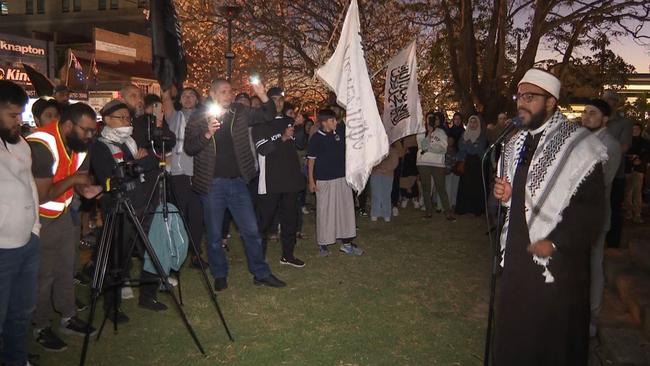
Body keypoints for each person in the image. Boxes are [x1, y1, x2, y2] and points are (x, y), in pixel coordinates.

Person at [493, 69, 607, 365]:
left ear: (552, 102)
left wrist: (556, 243)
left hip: (556, 267)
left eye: (531, 97)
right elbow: (520, 196)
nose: (522, 103)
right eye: (520, 96)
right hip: (518, 259)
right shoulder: (514, 142)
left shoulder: (580, 146)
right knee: (515, 336)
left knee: (549, 343)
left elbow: (590, 212)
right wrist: (505, 194)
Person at [184, 78, 286, 291]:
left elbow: (268, 115)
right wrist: (207, 134)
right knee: (214, 235)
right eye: (223, 92)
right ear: (212, 94)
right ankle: (219, 274)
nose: (228, 95)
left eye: (230, 91)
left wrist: (263, 94)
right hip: (212, 185)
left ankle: (261, 273)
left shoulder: (240, 111)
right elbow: (190, 147)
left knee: (252, 231)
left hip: (238, 183)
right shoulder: (198, 116)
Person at [27, 102, 101, 352]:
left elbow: (81, 176)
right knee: (44, 275)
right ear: (69, 125)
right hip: (39, 217)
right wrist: (75, 181)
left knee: (67, 268)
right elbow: (42, 194)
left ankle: (68, 315)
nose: (91, 136)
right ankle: (41, 325)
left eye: (94, 130)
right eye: (87, 130)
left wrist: (86, 189)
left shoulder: (79, 143)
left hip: (65, 212)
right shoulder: (41, 144)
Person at [90, 99, 168, 323]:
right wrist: (139, 164)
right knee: (117, 259)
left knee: (153, 249)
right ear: (106, 119)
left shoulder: (129, 142)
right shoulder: (100, 145)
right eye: (121, 118)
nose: (126, 121)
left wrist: (136, 165)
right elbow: (113, 176)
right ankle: (111, 307)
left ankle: (148, 295)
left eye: (128, 118)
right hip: (118, 207)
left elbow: (147, 162)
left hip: (142, 202)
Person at [0, 81, 41, 366]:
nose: (19, 121)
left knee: (21, 311)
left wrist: (35, 228)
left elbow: (29, 185)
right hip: (3, 247)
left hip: (28, 240)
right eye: (13, 115)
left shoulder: (20, 143)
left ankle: (17, 359)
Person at [252, 87, 306, 268]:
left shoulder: (290, 120)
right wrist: (282, 137)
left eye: (281, 99)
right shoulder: (260, 123)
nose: (278, 103)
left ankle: (288, 255)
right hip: (270, 182)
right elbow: (262, 149)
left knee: (290, 220)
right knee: (265, 222)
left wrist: (299, 128)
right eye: (273, 99)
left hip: (290, 180)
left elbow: (301, 144)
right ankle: (259, 258)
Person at [580, 98, 621, 338]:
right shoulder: (583, 140)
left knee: (594, 266)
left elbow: (599, 183)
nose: (586, 117)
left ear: (605, 119)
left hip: (595, 216)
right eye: (585, 112)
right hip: (577, 217)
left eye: (592, 113)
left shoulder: (611, 145)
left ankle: (593, 315)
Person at [162, 86, 208, 269]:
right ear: (179, 100)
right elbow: (165, 98)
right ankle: (177, 253)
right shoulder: (174, 116)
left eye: (191, 95)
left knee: (197, 215)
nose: (188, 98)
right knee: (180, 214)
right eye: (184, 95)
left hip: (198, 171)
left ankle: (196, 254)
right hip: (178, 172)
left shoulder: (204, 118)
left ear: (197, 100)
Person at [307, 108, 363, 257]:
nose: (335, 123)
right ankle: (323, 243)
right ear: (324, 123)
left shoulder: (339, 135)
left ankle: (346, 243)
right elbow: (311, 162)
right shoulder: (316, 139)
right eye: (332, 121)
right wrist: (311, 180)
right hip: (324, 180)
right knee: (325, 212)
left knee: (345, 211)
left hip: (342, 179)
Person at [602, 90, 632, 247]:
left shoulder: (624, 123)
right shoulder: (598, 120)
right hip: (597, 174)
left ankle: (613, 243)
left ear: (616, 103)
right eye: (604, 99)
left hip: (615, 173)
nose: (606, 102)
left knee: (613, 208)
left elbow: (624, 147)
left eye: (610, 100)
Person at [417, 112, 454, 221]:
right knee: (426, 188)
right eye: (430, 118)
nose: (432, 121)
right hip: (423, 163)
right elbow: (422, 146)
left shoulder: (442, 133)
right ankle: (428, 212)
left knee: (441, 188)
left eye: (434, 119)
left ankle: (448, 213)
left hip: (438, 164)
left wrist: (428, 149)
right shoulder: (421, 132)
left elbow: (443, 149)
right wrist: (429, 133)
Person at [455, 115, 488, 216]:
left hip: (477, 163)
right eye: (471, 122)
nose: (473, 124)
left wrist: (468, 145)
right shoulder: (464, 134)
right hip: (466, 163)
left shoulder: (482, 136)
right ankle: (464, 209)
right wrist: (471, 145)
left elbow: (478, 149)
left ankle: (475, 210)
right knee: (465, 186)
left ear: (478, 124)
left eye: (475, 122)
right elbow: (461, 147)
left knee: (476, 187)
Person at [625, 123, 649, 224]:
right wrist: (631, 158)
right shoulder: (627, 141)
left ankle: (637, 214)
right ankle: (629, 212)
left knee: (637, 192)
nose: (635, 131)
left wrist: (639, 160)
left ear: (640, 130)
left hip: (639, 169)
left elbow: (646, 155)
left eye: (637, 129)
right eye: (633, 129)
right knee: (627, 192)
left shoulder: (645, 142)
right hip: (628, 169)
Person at [370, 143, 400, 222]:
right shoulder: (375, 148)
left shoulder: (393, 150)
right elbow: (371, 160)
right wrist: (377, 168)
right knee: (376, 194)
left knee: (386, 194)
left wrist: (385, 169)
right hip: (375, 173)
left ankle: (386, 213)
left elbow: (395, 162)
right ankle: (375, 213)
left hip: (388, 174)